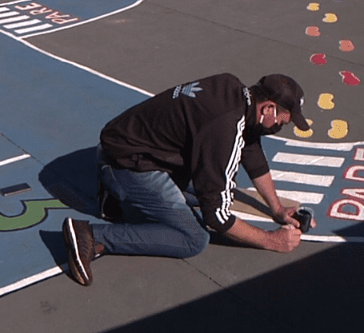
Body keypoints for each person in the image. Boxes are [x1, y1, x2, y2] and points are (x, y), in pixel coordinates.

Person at [62, 73, 312, 287]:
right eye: (280, 122)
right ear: (268, 108)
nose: (277, 127)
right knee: (194, 238)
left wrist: (277, 210)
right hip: (129, 162)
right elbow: (218, 217)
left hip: (125, 144)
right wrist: (272, 241)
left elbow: (252, 153)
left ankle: (114, 191)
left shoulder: (231, 89)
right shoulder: (225, 128)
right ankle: (92, 234)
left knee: (217, 190)